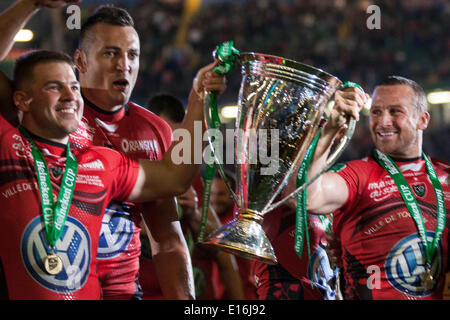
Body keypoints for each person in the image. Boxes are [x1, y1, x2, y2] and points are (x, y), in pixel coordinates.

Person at [0, 0, 195, 299]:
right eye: (110, 53)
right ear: (80, 60)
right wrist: (30, 4)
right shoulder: (43, 114)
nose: (124, 65)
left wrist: (201, 101)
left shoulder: (152, 131)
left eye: (132, 54)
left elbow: (168, 239)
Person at [306, 76, 449, 299]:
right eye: (376, 112)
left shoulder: (446, 176)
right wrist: (331, 127)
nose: (383, 122)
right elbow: (305, 197)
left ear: (423, 120)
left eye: (395, 112)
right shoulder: (357, 175)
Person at [142, 93, 245, 300]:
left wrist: (193, 213)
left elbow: (222, 254)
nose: (170, 149)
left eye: (175, 140)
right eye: (162, 139)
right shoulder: (133, 171)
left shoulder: (191, 179)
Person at [209, 173, 258, 299]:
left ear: (233, 197)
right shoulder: (208, 221)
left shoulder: (238, 223)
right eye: (212, 194)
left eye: (221, 194)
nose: (214, 199)